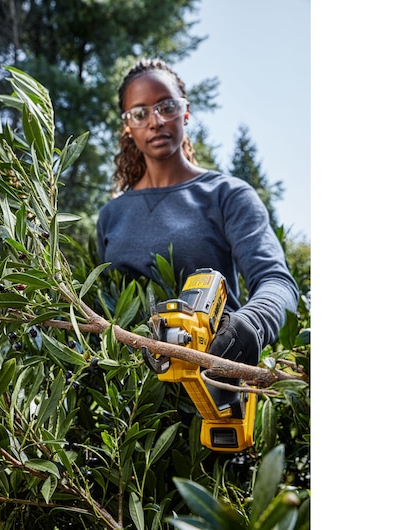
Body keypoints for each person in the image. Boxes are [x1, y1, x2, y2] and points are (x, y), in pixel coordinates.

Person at [96, 57, 299, 366]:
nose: (156, 121)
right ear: (128, 126)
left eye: (166, 107)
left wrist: (250, 325)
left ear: (185, 111)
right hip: (131, 400)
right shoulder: (111, 216)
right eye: (140, 113)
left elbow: (277, 282)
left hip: (215, 381)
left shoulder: (227, 195)